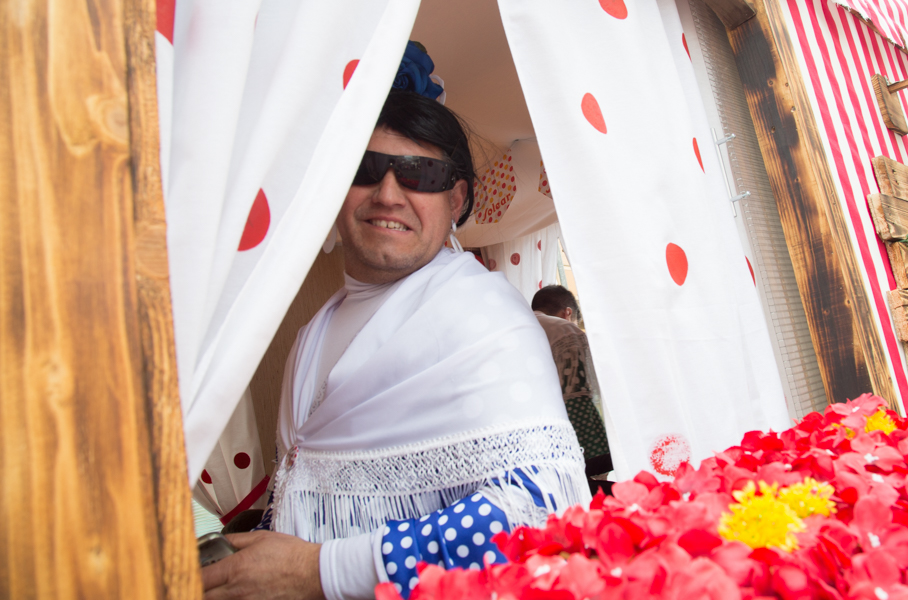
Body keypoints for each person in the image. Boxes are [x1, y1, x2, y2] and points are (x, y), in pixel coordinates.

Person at [200, 90, 590, 600]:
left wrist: (318, 571)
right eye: (366, 169)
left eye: (418, 174)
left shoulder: (482, 317)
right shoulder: (312, 332)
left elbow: (538, 514)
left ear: (455, 201)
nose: (387, 194)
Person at [530, 286, 612, 481]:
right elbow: (582, 393)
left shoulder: (511, 326)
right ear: (568, 313)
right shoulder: (565, 329)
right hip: (565, 435)